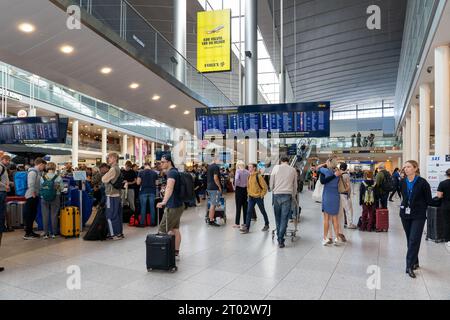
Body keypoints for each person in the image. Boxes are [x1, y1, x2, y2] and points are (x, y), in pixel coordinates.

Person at [399, 160, 432, 278]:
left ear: (415, 168)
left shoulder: (423, 183)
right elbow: (402, 196)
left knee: (414, 239)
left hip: (418, 215)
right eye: (405, 167)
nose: (406, 169)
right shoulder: (402, 182)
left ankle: (409, 266)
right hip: (405, 214)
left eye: (408, 167)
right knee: (410, 239)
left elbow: (429, 200)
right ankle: (415, 261)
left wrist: (440, 199)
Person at [156, 154, 184, 258]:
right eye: (160, 162)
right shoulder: (175, 171)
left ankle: (162, 255)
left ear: (169, 162)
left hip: (172, 206)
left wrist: (163, 201)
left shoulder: (171, 173)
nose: (161, 164)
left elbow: (169, 188)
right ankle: (175, 253)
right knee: (175, 229)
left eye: (163, 162)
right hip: (178, 205)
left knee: (162, 230)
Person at [270, 157, 297, 248]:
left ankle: (279, 238)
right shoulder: (293, 170)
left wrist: (273, 189)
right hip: (287, 195)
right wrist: (293, 195)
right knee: (284, 218)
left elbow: (271, 183)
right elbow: (295, 185)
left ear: (281, 161)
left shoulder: (276, 168)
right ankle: (281, 239)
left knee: (277, 218)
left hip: (277, 195)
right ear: (288, 161)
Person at [317, 158, 343, 246]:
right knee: (335, 219)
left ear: (328, 163)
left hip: (327, 195)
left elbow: (317, 168)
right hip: (335, 196)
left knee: (326, 219)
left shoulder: (325, 171)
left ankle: (325, 238)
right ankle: (337, 238)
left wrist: (325, 164)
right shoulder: (339, 172)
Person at [241, 163, 269, 234]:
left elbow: (265, 187)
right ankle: (247, 228)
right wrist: (249, 194)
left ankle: (267, 224)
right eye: (249, 167)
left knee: (262, 211)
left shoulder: (258, 176)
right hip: (251, 197)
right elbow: (248, 186)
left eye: (250, 167)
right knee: (249, 212)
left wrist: (261, 195)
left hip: (258, 197)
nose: (249, 168)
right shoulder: (249, 176)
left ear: (254, 168)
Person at [101, 153, 123, 240]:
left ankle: (113, 234)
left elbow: (104, 179)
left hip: (111, 194)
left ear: (114, 158)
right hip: (117, 194)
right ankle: (119, 233)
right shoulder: (118, 168)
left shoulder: (113, 169)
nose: (108, 160)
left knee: (110, 215)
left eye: (109, 158)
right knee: (116, 215)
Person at [23, 158, 47, 240]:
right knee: (29, 215)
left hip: (35, 195)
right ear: (40, 164)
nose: (44, 167)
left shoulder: (38, 172)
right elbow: (31, 183)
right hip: (31, 196)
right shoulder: (33, 171)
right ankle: (27, 234)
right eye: (43, 166)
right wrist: (33, 192)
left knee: (32, 214)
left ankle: (30, 232)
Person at [40, 162, 64, 239]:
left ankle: (46, 233)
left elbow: (41, 188)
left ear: (47, 168)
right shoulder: (58, 177)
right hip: (55, 197)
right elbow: (62, 188)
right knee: (54, 215)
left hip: (44, 198)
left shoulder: (42, 177)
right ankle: (54, 233)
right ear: (54, 168)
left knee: (45, 215)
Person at [137, 162, 158, 227]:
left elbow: (138, 183)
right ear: (149, 165)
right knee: (152, 207)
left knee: (143, 207)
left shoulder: (140, 172)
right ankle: (152, 223)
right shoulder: (154, 173)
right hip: (152, 192)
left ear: (144, 165)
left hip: (143, 191)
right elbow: (156, 183)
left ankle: (142, 223)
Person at [0, 155, 11, 271]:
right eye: (7, 160)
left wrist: (9, 183)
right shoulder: (0, 167)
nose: (8, 162)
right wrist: (5, 186)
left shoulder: (4, 168)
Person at [339, 163, 356, 230]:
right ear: (346, 168)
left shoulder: (337, 174)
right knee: (349, 210)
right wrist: (349, 194)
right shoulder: (346, 175)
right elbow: (348, 186)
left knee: (341, 210)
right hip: (345, 194)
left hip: (339, 194)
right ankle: (349, 224)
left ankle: (342, 223)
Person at [206, 156, 222, 227]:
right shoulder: (216, 167)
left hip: (209, 187)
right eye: (219, 159)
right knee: (213, 204)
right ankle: (211, 220)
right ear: (216, 159)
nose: (220, 161)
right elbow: (215, 178)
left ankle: (210, 218)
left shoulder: (209, 167)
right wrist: (219, 186)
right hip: (214, 188)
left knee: (213, 204)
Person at [233, 160, 249, 228]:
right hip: (246, 190)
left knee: (238, 207)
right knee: (245, 207)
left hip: (239, 189)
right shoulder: (247, 172)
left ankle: (237, 223)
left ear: (238, 165)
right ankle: (245, 222)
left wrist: (236, 185)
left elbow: (236, 179)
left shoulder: (238, 171)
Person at [437, 169, 450, 247]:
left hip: (446, 205)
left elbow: (439, 195)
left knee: (447, 222)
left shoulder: (442, 183)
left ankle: (447, 239)